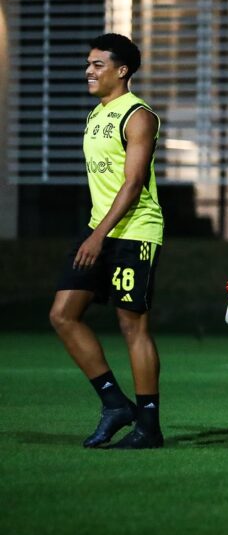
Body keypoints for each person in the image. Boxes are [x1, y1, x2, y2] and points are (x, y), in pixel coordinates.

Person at [49, 33, 164, 449]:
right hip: (100, 227)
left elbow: (133, 185)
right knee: (63, 314)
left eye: (98, 64)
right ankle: (115, 403)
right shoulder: (97, 115)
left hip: (134, 232)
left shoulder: (138, 116)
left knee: (132, 325)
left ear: (123, 70)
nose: (89, 71)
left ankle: (149, 426)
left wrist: (98, 235)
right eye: (88, 64)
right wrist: (96, 231)